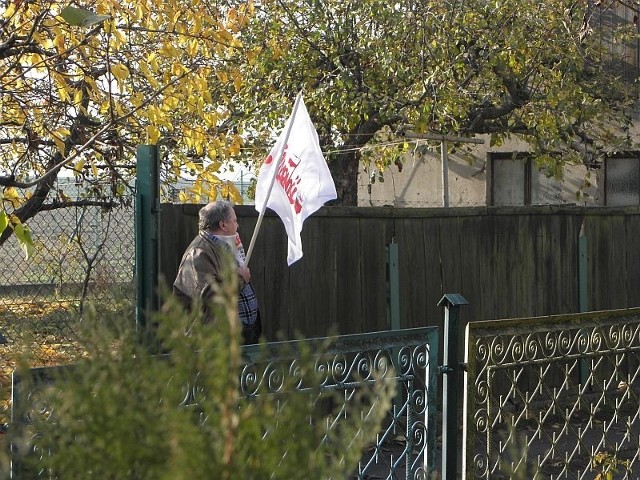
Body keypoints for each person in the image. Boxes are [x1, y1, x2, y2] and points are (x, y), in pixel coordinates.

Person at [173, 200, 262, 344]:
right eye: (235, 220)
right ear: (223, 225)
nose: (237, 225)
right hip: (212, 341)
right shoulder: (199, 252)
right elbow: (210, 294)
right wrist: (240, 278)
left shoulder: (221, 246)